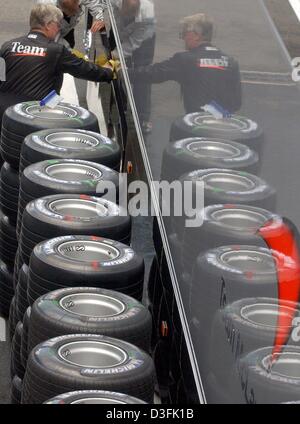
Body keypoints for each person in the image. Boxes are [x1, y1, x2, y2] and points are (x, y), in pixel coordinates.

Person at [0, 4, 113, 126]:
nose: (59, 29)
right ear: (48, 25)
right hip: (35, 117)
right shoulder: (56, 50)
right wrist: (108, 72)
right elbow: (84, 69)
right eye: (57, 25)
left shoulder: (8, 46)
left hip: (5, 114)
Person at [132, 13, 242, 114]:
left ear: (197, 35)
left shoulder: (185, 60)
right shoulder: (231, 62)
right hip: (225, 127)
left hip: (196, 125)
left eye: (185, 33)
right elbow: (236, 103)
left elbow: (152, 73)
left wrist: (120, 71)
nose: (183, 38)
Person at [37, 0, 106, 47]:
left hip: (67, 27)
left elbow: (94, 3)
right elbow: (51, 39)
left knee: (70, 43)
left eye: (76, 9)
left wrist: (99, 18)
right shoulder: (46, 8)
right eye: (71, 12)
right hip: (46, 32)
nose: (75, 13)